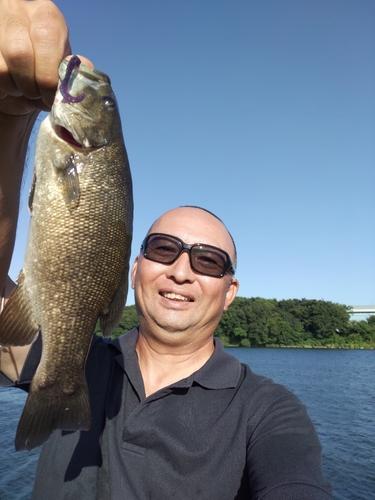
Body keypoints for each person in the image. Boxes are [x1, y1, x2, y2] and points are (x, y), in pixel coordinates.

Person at [0, 2, 334, 498]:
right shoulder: (74, 359)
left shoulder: (268, 410)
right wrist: (10, 117)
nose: (181, 269)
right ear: (133, 271)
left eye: (208, 260)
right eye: (163, 248)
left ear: (230, 291)